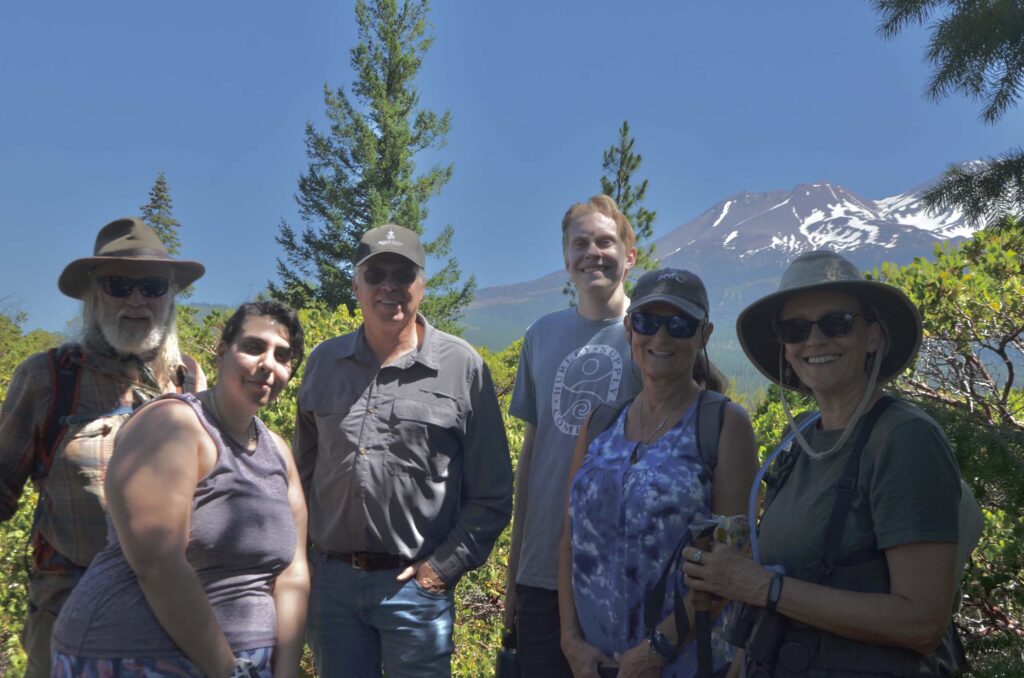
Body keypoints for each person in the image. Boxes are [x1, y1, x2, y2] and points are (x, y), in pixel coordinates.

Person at [683, 250, 966, 675]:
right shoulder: (797, 440)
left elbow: (922, 622)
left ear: (873, 336)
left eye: (837, 323)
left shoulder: (904, 439)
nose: (814, 340)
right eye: (796, 329)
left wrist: (767, 588)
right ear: (785, 348)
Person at [295, 224, 513, 677]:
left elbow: (492, 494)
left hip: (415, 592)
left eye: (403, 273)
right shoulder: (323, 363)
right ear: (356, 284)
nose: (389, 286)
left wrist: (439, 571)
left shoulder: (463, 368)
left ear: (422, 285)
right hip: (331, 588)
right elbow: (301, 476)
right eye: (376, 274)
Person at [51, 300, 309, 677]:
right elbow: (158, 562)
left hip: (247, 663)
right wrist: (228, 670)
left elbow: (294, 573)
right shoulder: (173, 425)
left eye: (282, 356)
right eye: (254, 346)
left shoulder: (278, 452)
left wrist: (285, 671)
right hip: (133, 657)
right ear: (222, 351)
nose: (267, 364)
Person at [0, 216, 207, 677]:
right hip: (67, 611)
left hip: (171, 617)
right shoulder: (47, 377)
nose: (137, 301)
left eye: (153, 287)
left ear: (170, 297)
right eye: (118, 285)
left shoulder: (190, 379)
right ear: (92, 296)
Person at [558, 268, 758, 678]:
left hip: (685, 664)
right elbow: (569, 539)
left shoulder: (724, 425)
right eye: (648, 322)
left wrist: (658, 649)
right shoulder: (600, 424)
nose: (661, 338)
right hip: (594, 666)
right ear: (630, 328)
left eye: (680, 325)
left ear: (704, 334)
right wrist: (570, 641)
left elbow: (733, 563)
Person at [504, 195, 643, 676]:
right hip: (542, 569)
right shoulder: (540, 336)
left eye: (606, 241)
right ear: (565, 259)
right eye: (580, 243)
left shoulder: (654, 335)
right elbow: (533, 460)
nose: (592, 253)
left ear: (630, 255)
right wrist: (514, 572)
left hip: (625, 569)